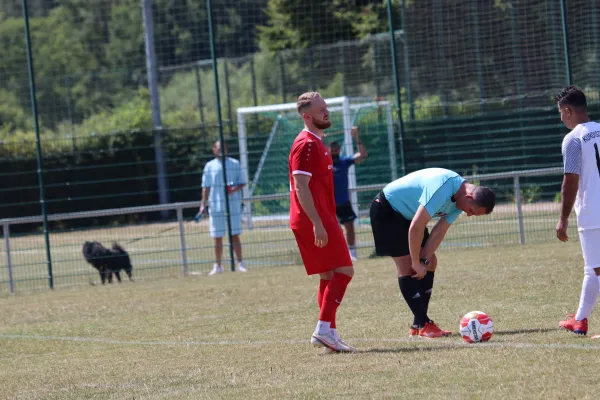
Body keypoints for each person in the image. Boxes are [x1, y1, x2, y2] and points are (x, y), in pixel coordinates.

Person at [370, 168, 496, 338]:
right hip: (387, 210)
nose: (468, 214)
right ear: (469, 197)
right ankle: (425, 324)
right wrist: (415, 262)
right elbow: (416, 226)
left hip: (408, 217)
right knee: (407, 266)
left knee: (431, 262)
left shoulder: (461, 199)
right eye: (471, 211)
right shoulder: (442, 187)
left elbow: (440, 230)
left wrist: (423, 260)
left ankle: (418, 324)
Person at [289, 92, 356, 352]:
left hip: (319, 217)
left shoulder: (317, 141)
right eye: (320, 110)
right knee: (344, 271)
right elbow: (300, 187)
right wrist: (317, 222)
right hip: (313, 219)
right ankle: (323, 330)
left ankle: (329, 333)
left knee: (328, 275)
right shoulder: (306, 144)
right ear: (307, 116)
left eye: (325, 108)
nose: (326, 113)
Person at [555, 86, 600, 336]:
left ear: (569, 110)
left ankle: (580, 320)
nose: (561, 117)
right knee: (592, 267)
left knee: (598, 269)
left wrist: (563, 218)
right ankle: (580, 320)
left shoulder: (573, 138)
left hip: (593, 212)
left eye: (561, 112)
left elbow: (570, 180)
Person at [200, 140, 247, 275]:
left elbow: (242, 182)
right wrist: (203, 204)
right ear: (214, 150)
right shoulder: (209, 166)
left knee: (235, 235)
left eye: (224, 148)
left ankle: (240, 263)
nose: (221, 150)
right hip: (216, 205)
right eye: (219, 148)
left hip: (233, 205)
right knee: (217, 236)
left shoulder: (235, 163)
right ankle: (218, 265)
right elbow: (206, 187)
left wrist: (233, 189)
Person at [329, 126, 368, 261]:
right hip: (328, 203)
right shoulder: (322, 163)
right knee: (331, 230)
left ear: (339, 150)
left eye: (336, 148)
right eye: (331, 148)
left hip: (343, 201)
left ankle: (352, 253)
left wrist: (356, 137)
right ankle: (334, 254)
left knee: (349, 227)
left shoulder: (344, 161)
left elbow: (363, 155)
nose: (334, 150)